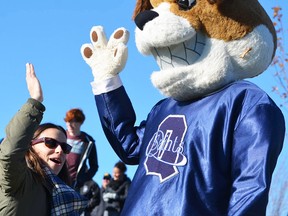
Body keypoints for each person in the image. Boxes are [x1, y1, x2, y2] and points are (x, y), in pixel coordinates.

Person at [0, 63, 88, 215]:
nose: (60, 150)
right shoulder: (18, 179)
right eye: (50, 143)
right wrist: (36, 100)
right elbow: (10, 152)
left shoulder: (65, 195)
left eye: (65, 147)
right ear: (31, 145)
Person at [64, 108, 99, 190]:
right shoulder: (60, 135)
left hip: (74, 184)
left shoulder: (88, 141)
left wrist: (82, 179)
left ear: (80, 122)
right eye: (67, 121)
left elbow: (94, 166)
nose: (69, 124)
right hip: (58, 179)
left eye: (73, 121)